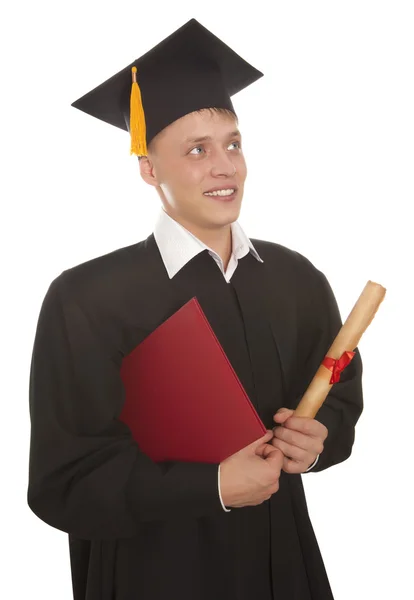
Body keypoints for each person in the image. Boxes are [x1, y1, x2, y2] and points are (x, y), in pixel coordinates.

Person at [27, 17, 363, 600]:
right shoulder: (88, 298)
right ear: (149, 169)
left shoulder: (297, 279)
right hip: (151, 575)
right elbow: (64, 482)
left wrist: (318, 442)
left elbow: (339, 396)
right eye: (197, 150)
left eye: (233, 143)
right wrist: (210, 488)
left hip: (280, 565)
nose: (224, 165)